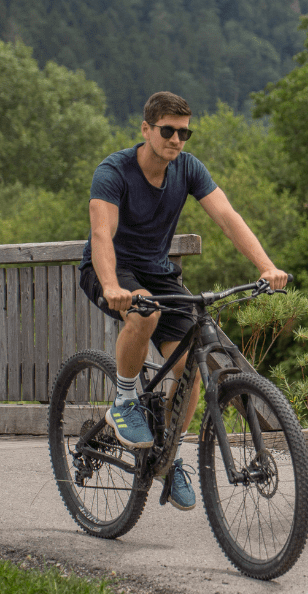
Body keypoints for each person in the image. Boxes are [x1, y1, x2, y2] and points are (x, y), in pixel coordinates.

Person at [78, 91, 289, 511]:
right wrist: (111, 286)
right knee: (144, 313)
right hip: (112, 268)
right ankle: (124, 401)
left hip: (159, 273)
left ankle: (166, 457)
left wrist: (267, 266)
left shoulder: (188, 169)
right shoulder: (114, 171)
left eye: (184, 132)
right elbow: (102, 234)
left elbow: (228, 217)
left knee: (190, 368)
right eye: (168, 131)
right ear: (146, 129)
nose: (177, 139)